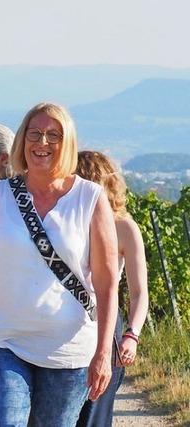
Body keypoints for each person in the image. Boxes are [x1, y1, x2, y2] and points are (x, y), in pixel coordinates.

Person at [0, 102, 119, 427]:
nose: (42, 143)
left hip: (68, 348)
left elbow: (107, 284)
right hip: (3, 342)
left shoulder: (90, 198)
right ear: (22, 141)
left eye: (54, 135)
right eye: (34, 134)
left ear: (67, 144)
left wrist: (103, 353)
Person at [75, 150, 149, 427]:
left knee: (95, 412)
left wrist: (132, 334)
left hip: (104, 324)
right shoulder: (65, 222)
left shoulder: (125, 228)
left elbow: (139, 291)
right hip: (64, 324)